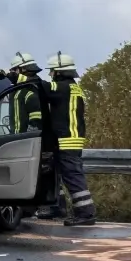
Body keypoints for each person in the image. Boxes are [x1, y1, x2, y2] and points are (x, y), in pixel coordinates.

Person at [42, 52, 95, 226]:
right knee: (60, 173)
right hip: (70, 138)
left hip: (67, 139)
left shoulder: (62, 87)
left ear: (59, 72)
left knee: (73, 176)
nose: (50, 74)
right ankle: (58, 207)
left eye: (52, 71)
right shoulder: (73, 87)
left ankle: (86, 214)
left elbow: (42, 87)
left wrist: (22, 75)